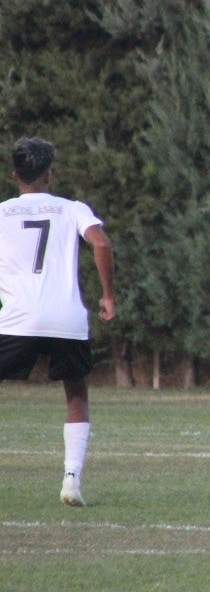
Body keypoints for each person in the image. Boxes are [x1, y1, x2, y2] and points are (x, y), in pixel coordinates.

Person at [0, 138, 116, 506]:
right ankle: (71, 480)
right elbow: (101, 244)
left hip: (17, 320)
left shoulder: (2, 213)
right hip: (67, 318)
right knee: (76, 394)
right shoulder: (73, 209)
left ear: (15, 174)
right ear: (49, 175)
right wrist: (108, 295)